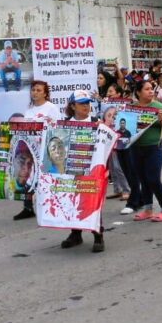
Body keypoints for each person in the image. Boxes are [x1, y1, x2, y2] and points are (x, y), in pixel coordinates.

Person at [60, 90, 107, 253]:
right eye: (81, 103)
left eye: (87, 103)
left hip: (92, 170)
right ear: (72, 106)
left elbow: (106, 146)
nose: (86, 106)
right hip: (72, 170)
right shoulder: (64, 123)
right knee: (72, 201)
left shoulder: (97, 122)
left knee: (92, 202)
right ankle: (75, 234)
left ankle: (98, 235)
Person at [12, 80, 62, 220]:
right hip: (31, 150)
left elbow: (57, 128)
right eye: (33, 90)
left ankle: (54, 206)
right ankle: (27, 208)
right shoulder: (29, 110)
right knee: (29, 177)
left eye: (39, 90)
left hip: (46, 149)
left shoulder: (51, 108)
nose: (35, 92)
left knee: (47, 178)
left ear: (45, 93)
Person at [129, 80, 162, 223]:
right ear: (138, 93)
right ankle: (148, 209)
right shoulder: (131, 108)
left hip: (154, 147)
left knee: (153, 179)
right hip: (135, 147)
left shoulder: (158, 107)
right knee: (143, 180)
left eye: (152, 88)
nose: (151, 91)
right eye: (146, 89)